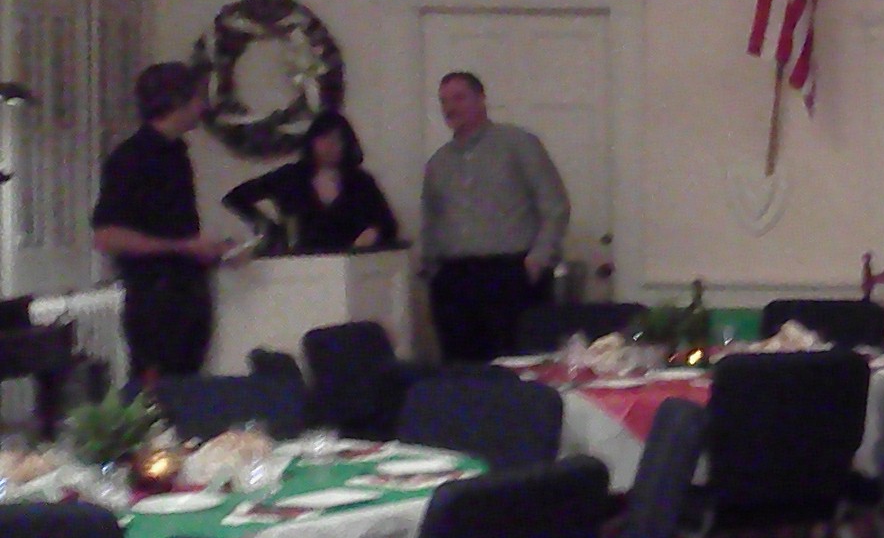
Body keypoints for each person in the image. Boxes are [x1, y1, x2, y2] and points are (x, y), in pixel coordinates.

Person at [92, 62, 235, 380]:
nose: (203, 105)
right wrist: (182, 247)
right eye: (198, 97)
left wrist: (212, 251)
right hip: (155, 299)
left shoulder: (177, 154)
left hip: (188, 293)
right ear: (176, 101)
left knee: (188, 388)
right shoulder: (131, 158)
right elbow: (106, 235)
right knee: (156, 393)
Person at [420, 71, 571, 363]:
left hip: (510, 274)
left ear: (481, 99)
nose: (450, 107)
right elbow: (431, 219)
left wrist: (537, 260)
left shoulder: (518, 144)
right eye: (444, 101)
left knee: (516, 366)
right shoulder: (438, 163)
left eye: (459, 98)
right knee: (461, 371)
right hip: (454, 279)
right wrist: (431, 269)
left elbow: (555, 205)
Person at [222, 111, 402, 254]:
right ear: (312, 141)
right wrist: (267, 227)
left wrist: (373, 233)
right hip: (300, 268)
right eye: (324, 138)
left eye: (338, 139)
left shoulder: (361, 182)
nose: (330, 145)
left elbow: (389, 224)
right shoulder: (290, 176)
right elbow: (236, 197)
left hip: (348, 272)